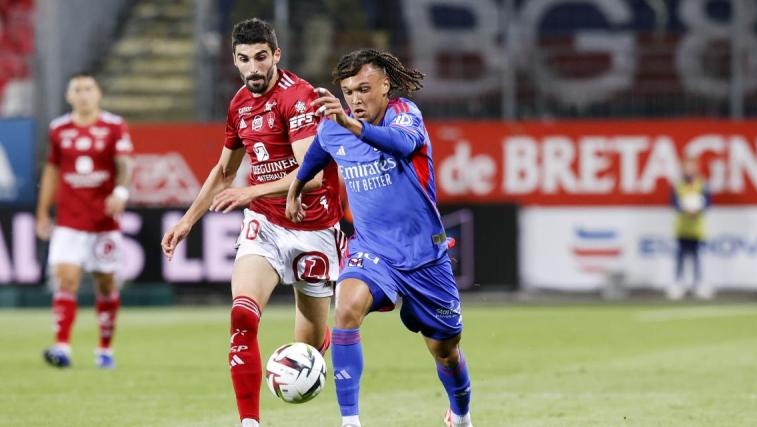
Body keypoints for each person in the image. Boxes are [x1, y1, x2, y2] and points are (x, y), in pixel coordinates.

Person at [160, 18, 343, 427]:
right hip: (266, 225)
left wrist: (251, 191)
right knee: (242, 315)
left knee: (308, 350)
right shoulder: (239, 103)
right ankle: (249, 422)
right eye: (245, 59)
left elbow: (310, 174)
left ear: (276, 55)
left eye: (261, 57)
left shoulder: (298, 98)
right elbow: (225, 172)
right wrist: (188, 220)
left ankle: (320, 342)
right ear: (235, 61)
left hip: (314, 227)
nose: (254, 67)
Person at [286, 49, 474, 427]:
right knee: (346, 307)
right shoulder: (334, 127)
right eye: (348, 91)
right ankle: (350, 420)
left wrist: (351, 125)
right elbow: (317, 156)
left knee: (445, 349)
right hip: (373, 252)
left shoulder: (405, 115)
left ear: (385, 86)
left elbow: (400, 144)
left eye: (364, 89)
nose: (355, 99)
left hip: (424, 256)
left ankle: (461, 414)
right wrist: (296, 187)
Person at [37, 72, 134, 369]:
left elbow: (125, 164)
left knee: (105, 284)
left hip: (104, 221)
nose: (82, 94)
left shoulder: (114, 126)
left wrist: (120, 191)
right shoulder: (58, 129)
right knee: (66, 278)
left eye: (88, 88)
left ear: (98, 94)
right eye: (77, 89)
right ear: (69, 97)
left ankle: (104, 349)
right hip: (69, 220)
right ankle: (62, 346)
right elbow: (52, 171)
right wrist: (42, 212)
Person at [668, 156, 712, 300]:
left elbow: (708, 202)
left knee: (696, 257)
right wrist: (684, 208)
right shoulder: (678, 184)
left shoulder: (702, 184)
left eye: (691, 166)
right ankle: (678, 284)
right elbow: (673, 203)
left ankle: (698, 284)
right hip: (682, 227)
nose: (689, 169)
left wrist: (698, 208)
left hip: (696, 228)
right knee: (680, 257)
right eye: (686, 166)